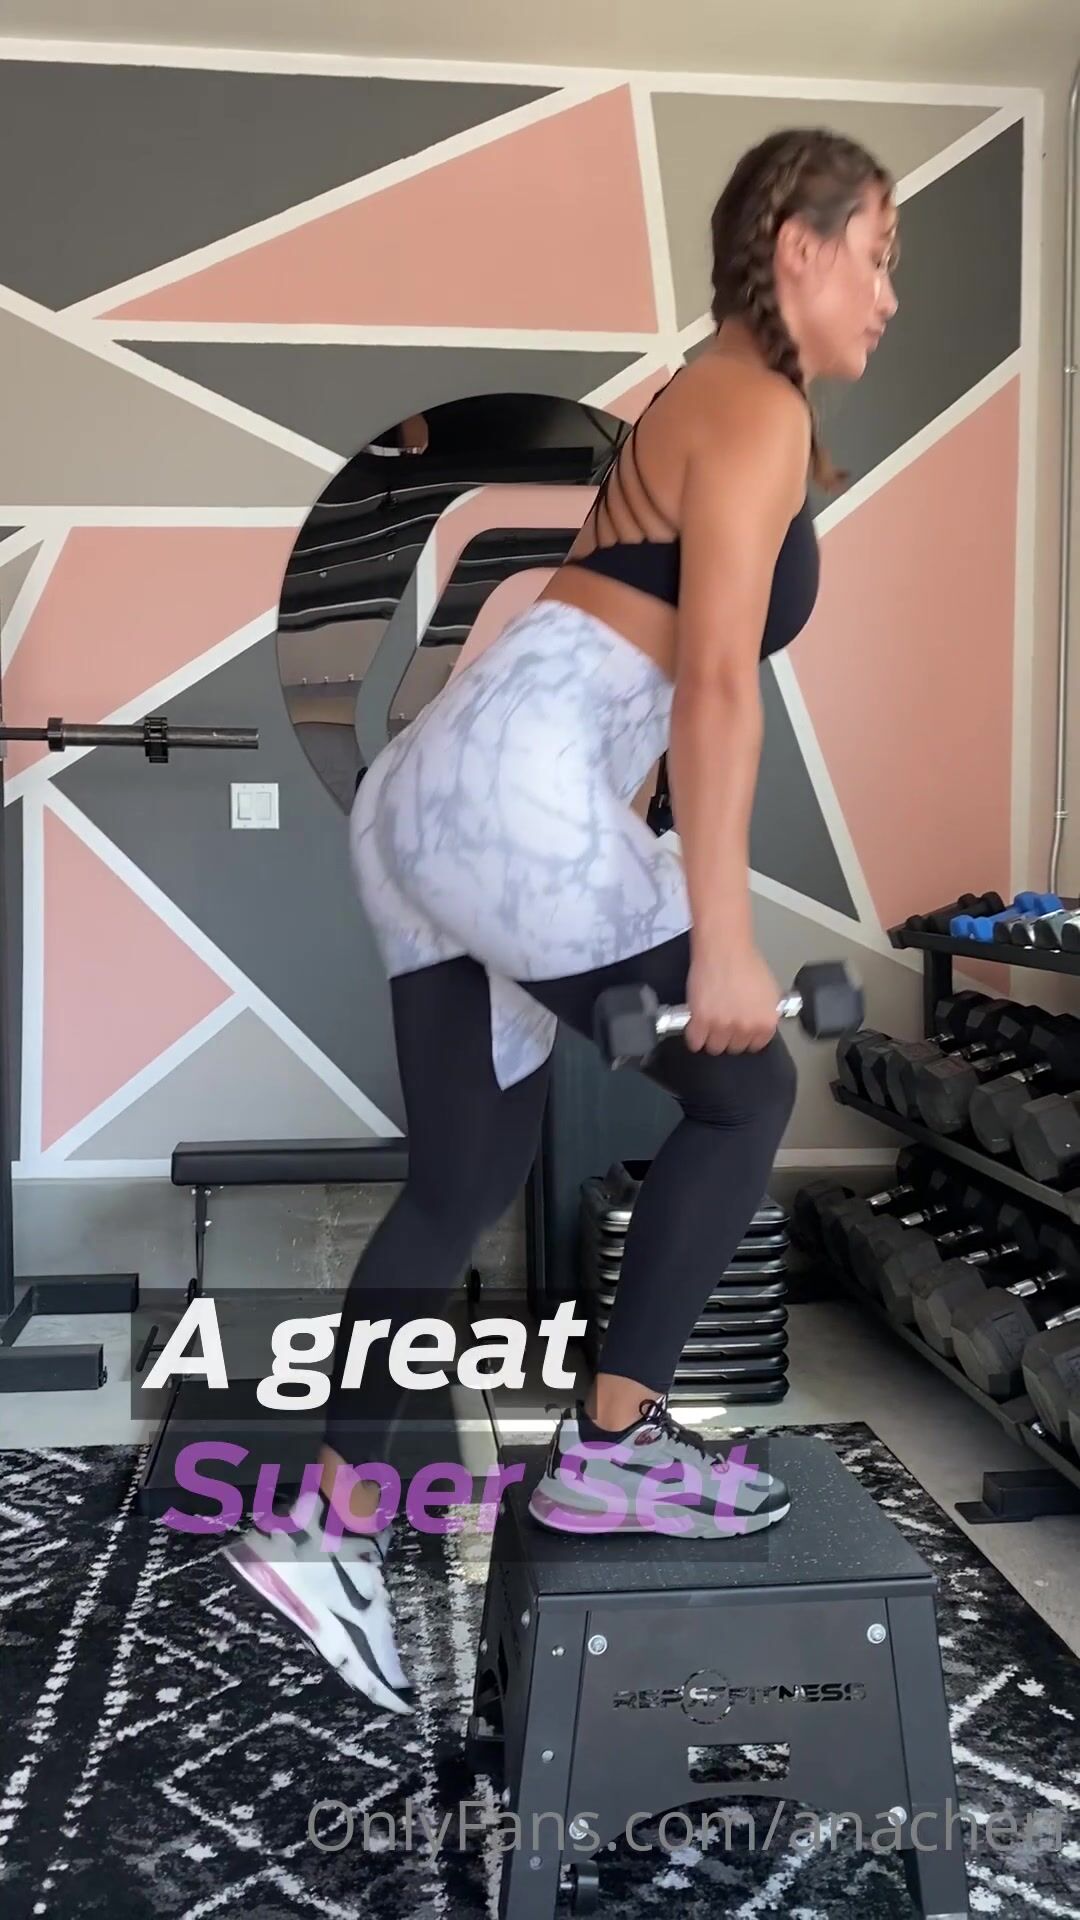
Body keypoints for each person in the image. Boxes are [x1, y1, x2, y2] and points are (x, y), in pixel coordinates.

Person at [222, 128, 898, 1711]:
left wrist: (647, 854)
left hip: (444, 784)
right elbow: (715, 682)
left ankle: (325, 1523)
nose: (886, 295)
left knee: (459, 1181)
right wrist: (718, 935)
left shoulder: (696, 400)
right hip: (519, 779)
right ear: (795, 248)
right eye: (875, 256)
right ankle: (613, 1446)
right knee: (747, 1090)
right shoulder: (755, 401)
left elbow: (638, 678)